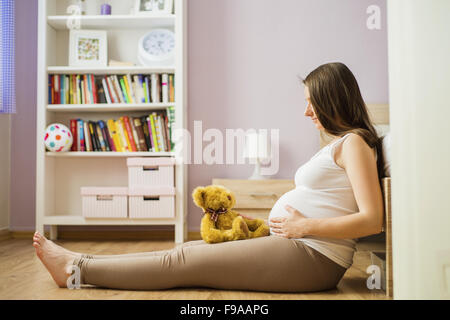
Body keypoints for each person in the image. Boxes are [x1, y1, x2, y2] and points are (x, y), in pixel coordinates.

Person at [33, 62, 385, 292]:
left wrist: (303, 227)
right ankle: (79, 264)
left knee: (181, 262)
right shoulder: (343, 143)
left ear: (333, 98)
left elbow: (372, 220)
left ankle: (76, 268)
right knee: (184, 250)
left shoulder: (354, 142)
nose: (305, 111)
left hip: (314, 257)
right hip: (301, 247)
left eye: (312, 101)